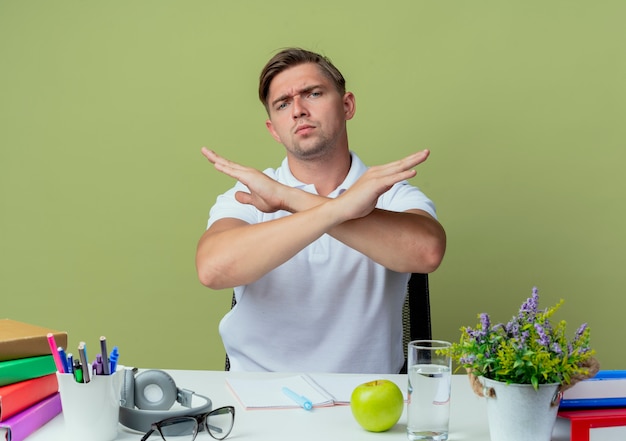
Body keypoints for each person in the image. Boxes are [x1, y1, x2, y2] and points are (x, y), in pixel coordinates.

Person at [196, 48, 446, 374]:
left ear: (347, 105)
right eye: (283, 104)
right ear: (274, 129)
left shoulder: (388, 192)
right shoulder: (250, 196)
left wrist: (289, 199)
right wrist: (342, 209)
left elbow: (427, 252)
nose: (298, 110)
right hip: (259, 402)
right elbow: (212, 269)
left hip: (368, 405)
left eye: (313, 94)